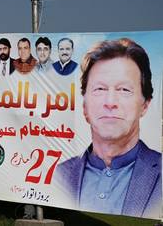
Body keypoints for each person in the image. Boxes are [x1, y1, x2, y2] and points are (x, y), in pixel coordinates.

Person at [57, 38, 161, 218]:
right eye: (100, 89)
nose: (110, 102)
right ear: (85, 106)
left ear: (145, 104)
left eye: (124, 90)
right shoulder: (60, 174)